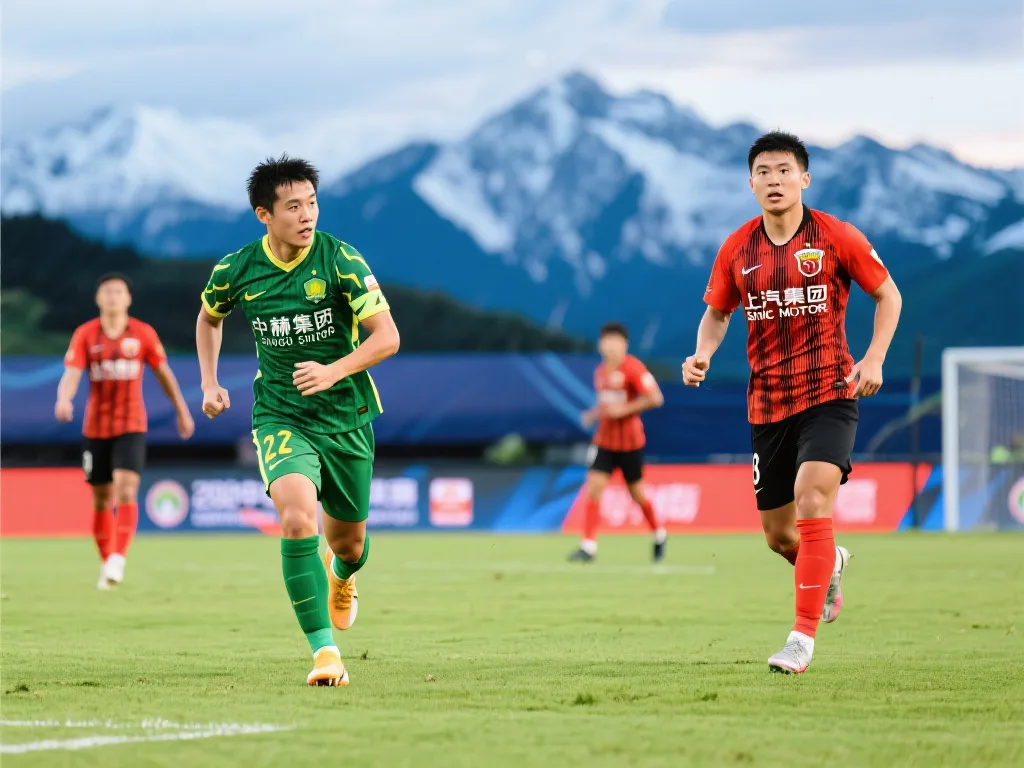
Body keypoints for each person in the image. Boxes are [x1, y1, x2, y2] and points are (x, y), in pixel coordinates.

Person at [682, 131, 902, 674]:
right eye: (764, 172)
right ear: (750, 183)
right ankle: (829, 565)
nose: (774, 180)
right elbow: (717, 312)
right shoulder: (737, 248)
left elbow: (888, 294)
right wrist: (702, 353)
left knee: (812, 498)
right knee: (780, 537)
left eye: (784, 170)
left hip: (830, 393)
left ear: (804, 178)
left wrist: (874, 358)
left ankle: (800, 640)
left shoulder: (835, 236)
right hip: (767, 406)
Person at [196, 155, 400, 687]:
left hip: (347, 416)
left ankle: (342, 576)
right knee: (295, 520)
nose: (307, 215)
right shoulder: (236, 269)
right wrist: (209, 382)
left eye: (312, 203)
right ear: (264, 214)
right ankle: (325, 653)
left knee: (349, 545)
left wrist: (334, 370)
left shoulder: (341, 259)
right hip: (280, 415)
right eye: (293, 206)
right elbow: (209, 317)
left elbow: (387, 337)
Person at [55, 273, 195, 589]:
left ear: (128, 298)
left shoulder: (143, 333)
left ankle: (119, 557)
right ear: (98, 298)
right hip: (95, 429)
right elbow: (72, 373)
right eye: (107, 292)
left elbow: (164, 373)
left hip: (131, 426)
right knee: (101, 499)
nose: (113, 297)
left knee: (127, 490)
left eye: (119, 292)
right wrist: (63, 399)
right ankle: (107, 561)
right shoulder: (85, 334)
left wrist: (182, 411)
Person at [568, 322, 666, 563]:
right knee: (594, 487)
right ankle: (588, 546)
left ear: (625, 344)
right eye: (607, 341)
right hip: (604, 442)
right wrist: (594, 414)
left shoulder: (634, 368)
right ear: (600, 345)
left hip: (630, 444)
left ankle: (659, 533)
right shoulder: (600, 372)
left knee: (637, 493)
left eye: (615, 341)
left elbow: (655, 398)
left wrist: (624, 410)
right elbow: (607, 405)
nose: (610, 346)